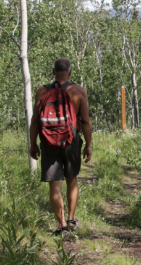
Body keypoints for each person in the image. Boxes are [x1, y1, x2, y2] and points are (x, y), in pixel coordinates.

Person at [29, 58, 93, 234]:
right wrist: (88, 145)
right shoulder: (79, 92)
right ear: (70, 72)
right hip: (71, 141)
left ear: (53, 71)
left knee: (54, 184)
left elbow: (35, 120)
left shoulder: (42, 92)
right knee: (72, 179)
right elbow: (85, 120)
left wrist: (33, 144)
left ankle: (61, 223)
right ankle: (71, 221)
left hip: (49, 142)